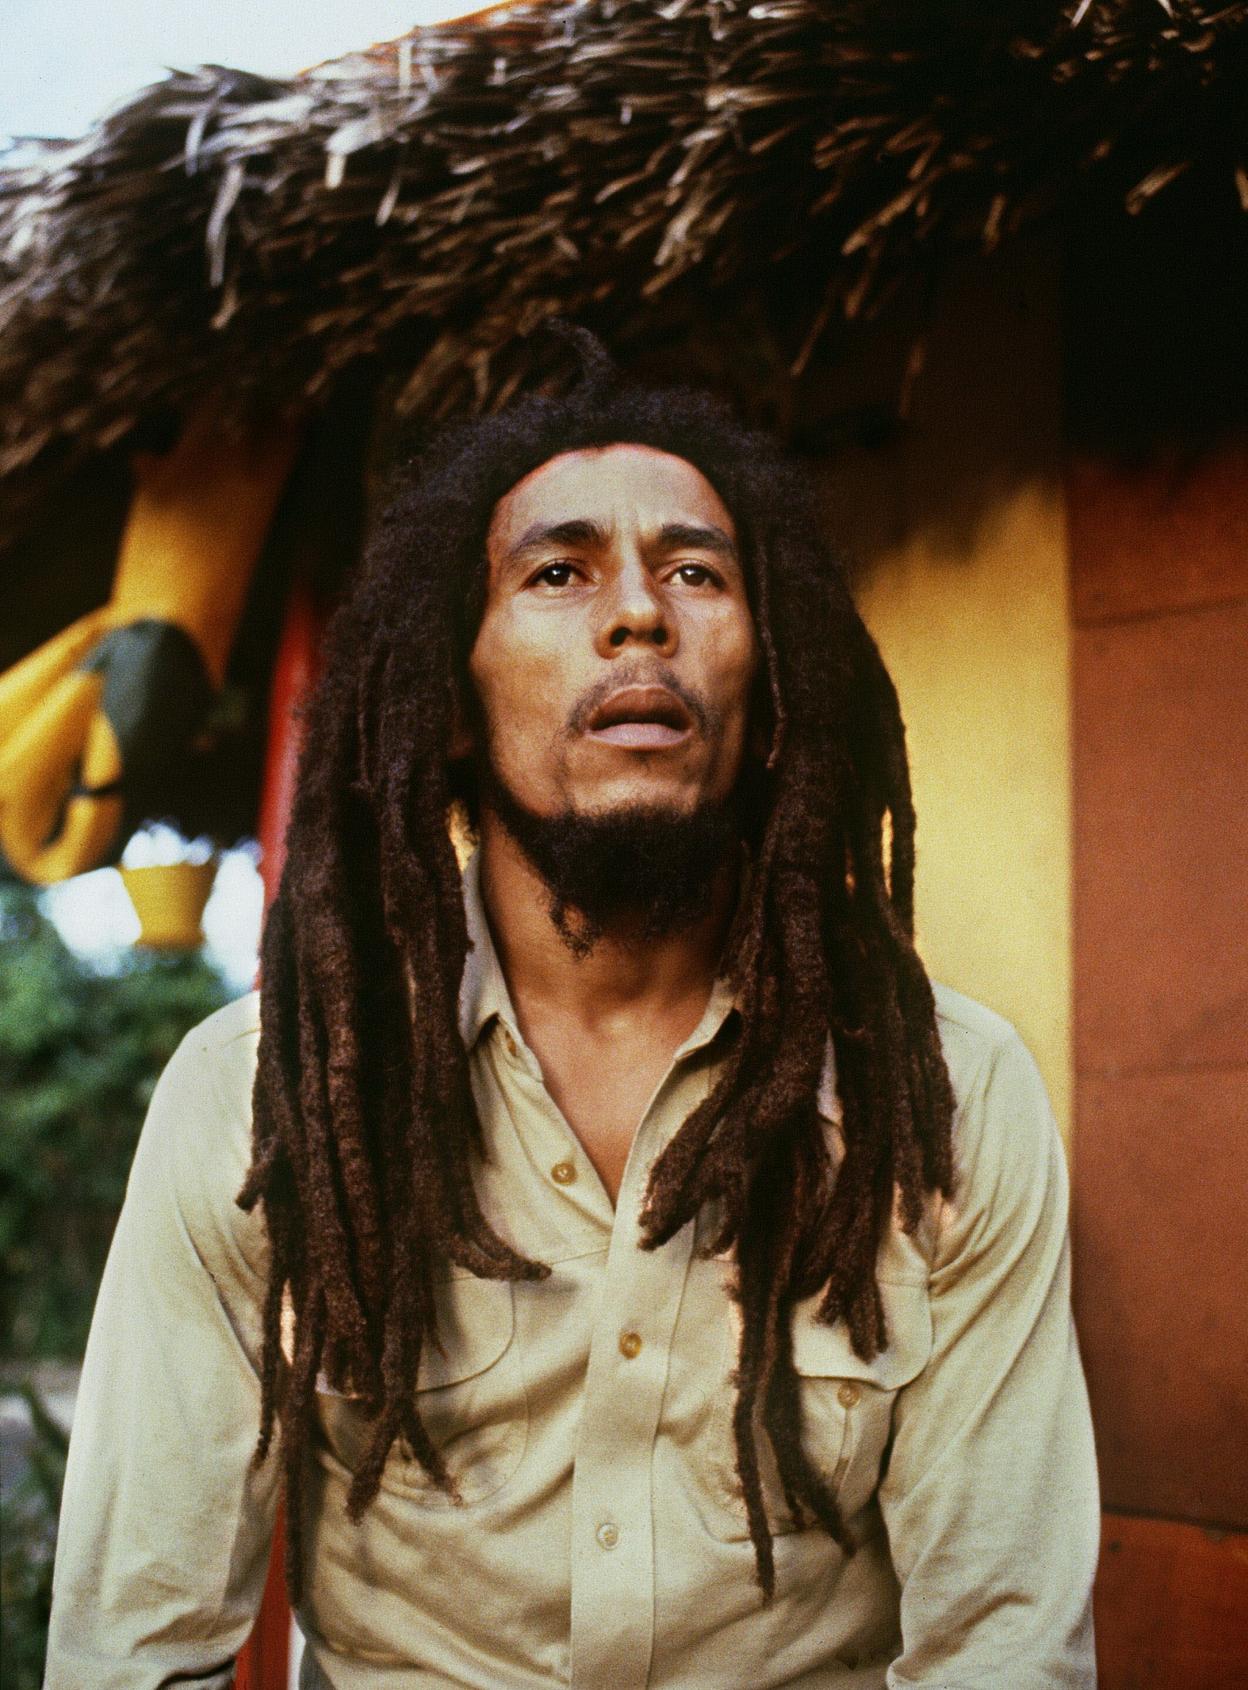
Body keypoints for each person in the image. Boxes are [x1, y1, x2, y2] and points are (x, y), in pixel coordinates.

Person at [46, 338, 1100, 1689]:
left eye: (697, 572)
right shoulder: (261, 1097)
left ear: (773, 701)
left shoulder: (946, 1093)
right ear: (449, 705)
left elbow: (1005, 1647)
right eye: (559, 571)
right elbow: (136, 1648)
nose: (641, 613)